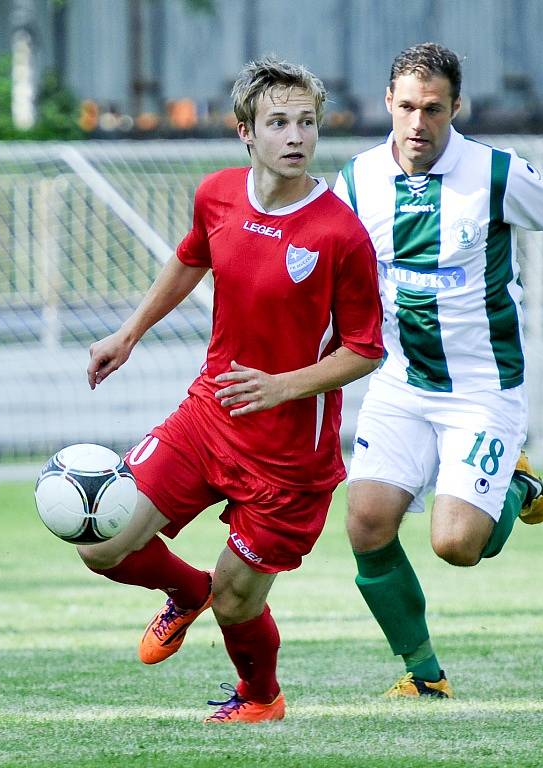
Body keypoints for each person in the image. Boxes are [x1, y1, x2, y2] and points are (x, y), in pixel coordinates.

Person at [333, 42, 543, 698]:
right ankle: (424, 676)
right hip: (399, 385)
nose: (416, 122)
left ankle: (517, 485)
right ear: (386, 103)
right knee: (365, 525)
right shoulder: (355, 181)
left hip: (483, 391)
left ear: (455, 108)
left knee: (458, 545)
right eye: (405, 106)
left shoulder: (495, 174)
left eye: (432, 109)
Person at [79, 57, 383, 723]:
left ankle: (260, 698)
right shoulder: (217, 194)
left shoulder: (339, 233)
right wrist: (129, 333)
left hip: (289, 461)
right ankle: (188, 592)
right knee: (100, 541)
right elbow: (192, 256)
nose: (295, 135)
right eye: (278, 122)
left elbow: (365, 348)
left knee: (239, 602)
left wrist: (283, 387)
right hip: (208, 417)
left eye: (306, 121)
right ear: (246, 131)